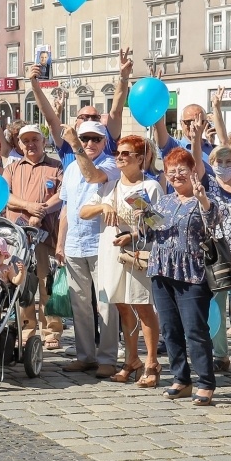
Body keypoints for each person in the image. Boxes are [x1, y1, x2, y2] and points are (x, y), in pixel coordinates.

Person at [34, 66, 119, 373]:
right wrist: (60, 243)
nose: (91, 143)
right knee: (80, 303)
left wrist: (75, 147)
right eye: (86, 139)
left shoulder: (110, 163)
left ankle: (108, 357)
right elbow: (67, 209)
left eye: (96, 139)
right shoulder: (70, 169)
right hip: (74, 244)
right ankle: (86, 355)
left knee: (105, 301)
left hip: (102, 243)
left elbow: (93, 175)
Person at [87, 135, 163, 384]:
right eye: (118, 153)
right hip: (111, 253)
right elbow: (83, 211)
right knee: (121, 304)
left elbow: (159, 225)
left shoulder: (150, 187)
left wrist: (134, 231)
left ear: (140, 159)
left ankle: (151, 362)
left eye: (125, 154)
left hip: (138, 253)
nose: (119, 157)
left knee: (142, 305)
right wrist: (103, 207)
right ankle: (132, 359)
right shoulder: (110, 186)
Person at [148, 148, 217, 404]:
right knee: (169, 328)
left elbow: (214, 221)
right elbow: (153, 233)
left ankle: (206, 382)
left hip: (192, 272)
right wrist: (141, 220)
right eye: (171, 171)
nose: (176, 175)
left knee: (195, 330)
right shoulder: (163, 201)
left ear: (194, 173)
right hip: (161, 269)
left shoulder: (204, 199)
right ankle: (181, 378)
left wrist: (203, 200)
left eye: (182, 170)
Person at [3, 123, 64, 349]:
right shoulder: (12, 168)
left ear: (43, 141)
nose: (30, 144)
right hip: (18, 238)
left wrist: (42, 210)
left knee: (47, 284)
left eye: (34, 140)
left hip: (46, 237)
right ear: (19, 144)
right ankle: (27, 329)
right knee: (23, 284)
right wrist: (30, 206)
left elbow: (62, 194)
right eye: (25, 140)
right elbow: (5, 196)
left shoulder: (56, 167)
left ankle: (52, 331)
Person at [202, 143, 231, 370]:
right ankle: (220, 354)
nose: (225, 166)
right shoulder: (207, 187)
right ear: (212, 164)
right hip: (215, 255)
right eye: (220, 162)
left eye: (229, 162)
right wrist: (197, 136)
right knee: (216, 308)